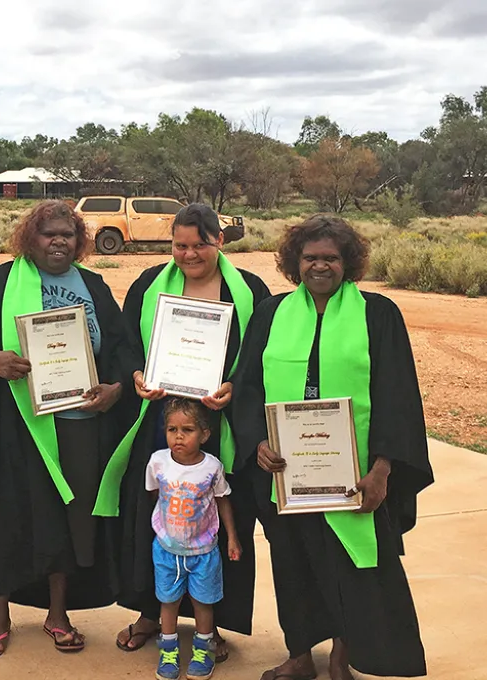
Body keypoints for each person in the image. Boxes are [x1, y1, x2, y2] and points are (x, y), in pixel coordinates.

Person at [230, 215, 434, 680]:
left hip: (353, 470)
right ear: (293, 262)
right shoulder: (272, 313)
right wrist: (257, 441)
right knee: (292, 560)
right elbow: (248, 387)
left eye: (331, 258)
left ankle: (344, 652)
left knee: (346, 564)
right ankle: (300, 654)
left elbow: (395, 394)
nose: (319, 266)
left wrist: (383, 467)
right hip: (286, 472)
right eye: (310, 258)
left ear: (349, 263)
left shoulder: (378, 314)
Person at [0, 199, 133, 657]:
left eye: (68, 234)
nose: (58, 241)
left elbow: (118, 347)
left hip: (79, 423)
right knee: (9, 516)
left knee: (68, 516)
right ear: (29, 238)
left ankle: (58, 613)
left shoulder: (93, 286)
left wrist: (115, 387)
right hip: (18, 423)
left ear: (80, 243)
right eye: (48, 233)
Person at [107, 203, 272, 661]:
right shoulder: (148, 285)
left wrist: (236, 388)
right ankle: (147, 611)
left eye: (200, 244)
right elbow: (125, 344)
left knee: (215, 520)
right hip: (160, 424)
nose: (189, 253)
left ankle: (210, 622)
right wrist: (137, 374)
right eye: (180, 245)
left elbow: (262, 353)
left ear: (220, 241)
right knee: (152, 516)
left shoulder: (250, 291)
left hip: (219, 427)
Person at [147, 398, 242, 680]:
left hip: (204, 551)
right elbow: (155, 495)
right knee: (168, 601)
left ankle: (203, 649)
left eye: (187, 429)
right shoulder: (158, 462)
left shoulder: (212, 468)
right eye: (172, 429)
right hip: (166, 550)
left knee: (203, 603)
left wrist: (232, 538)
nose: (178, 436)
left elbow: (223, 500)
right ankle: (168, 651)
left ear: (205, 434)